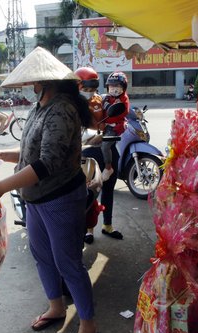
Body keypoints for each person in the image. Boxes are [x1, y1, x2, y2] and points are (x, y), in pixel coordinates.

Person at [0, 47, 101, 333]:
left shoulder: (61, 109)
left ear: (44, 81)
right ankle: (56, 308)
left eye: (31, 82)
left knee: (68, 263)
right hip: (35, 199)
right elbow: (29, 153)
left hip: (60, 198)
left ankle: (89, 326)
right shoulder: (39, 107)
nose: (27, 87)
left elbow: (47, 163)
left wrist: (2, 187)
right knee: (42, 256)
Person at [75, 67, 124, 243]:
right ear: (78, 86)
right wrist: (88, 138)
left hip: (107, 148)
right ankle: (89, 229)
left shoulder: (101, 99)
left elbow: (115, 115)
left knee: (109, 188)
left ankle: (108, 225)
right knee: (90, 192)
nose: (90, 93)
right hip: (87, 152)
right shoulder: (72, 104)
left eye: (93, 89)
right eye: (86, 89)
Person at [101, 71, 130, 182]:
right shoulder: (107, 97)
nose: (114, 88)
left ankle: (108, 167)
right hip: (103, 126)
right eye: (111, 86)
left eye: (117, 85)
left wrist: (108, 106)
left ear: (123, 87)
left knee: (105, 146)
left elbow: (122, 111)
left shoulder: (123, 99)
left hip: (114, 127)